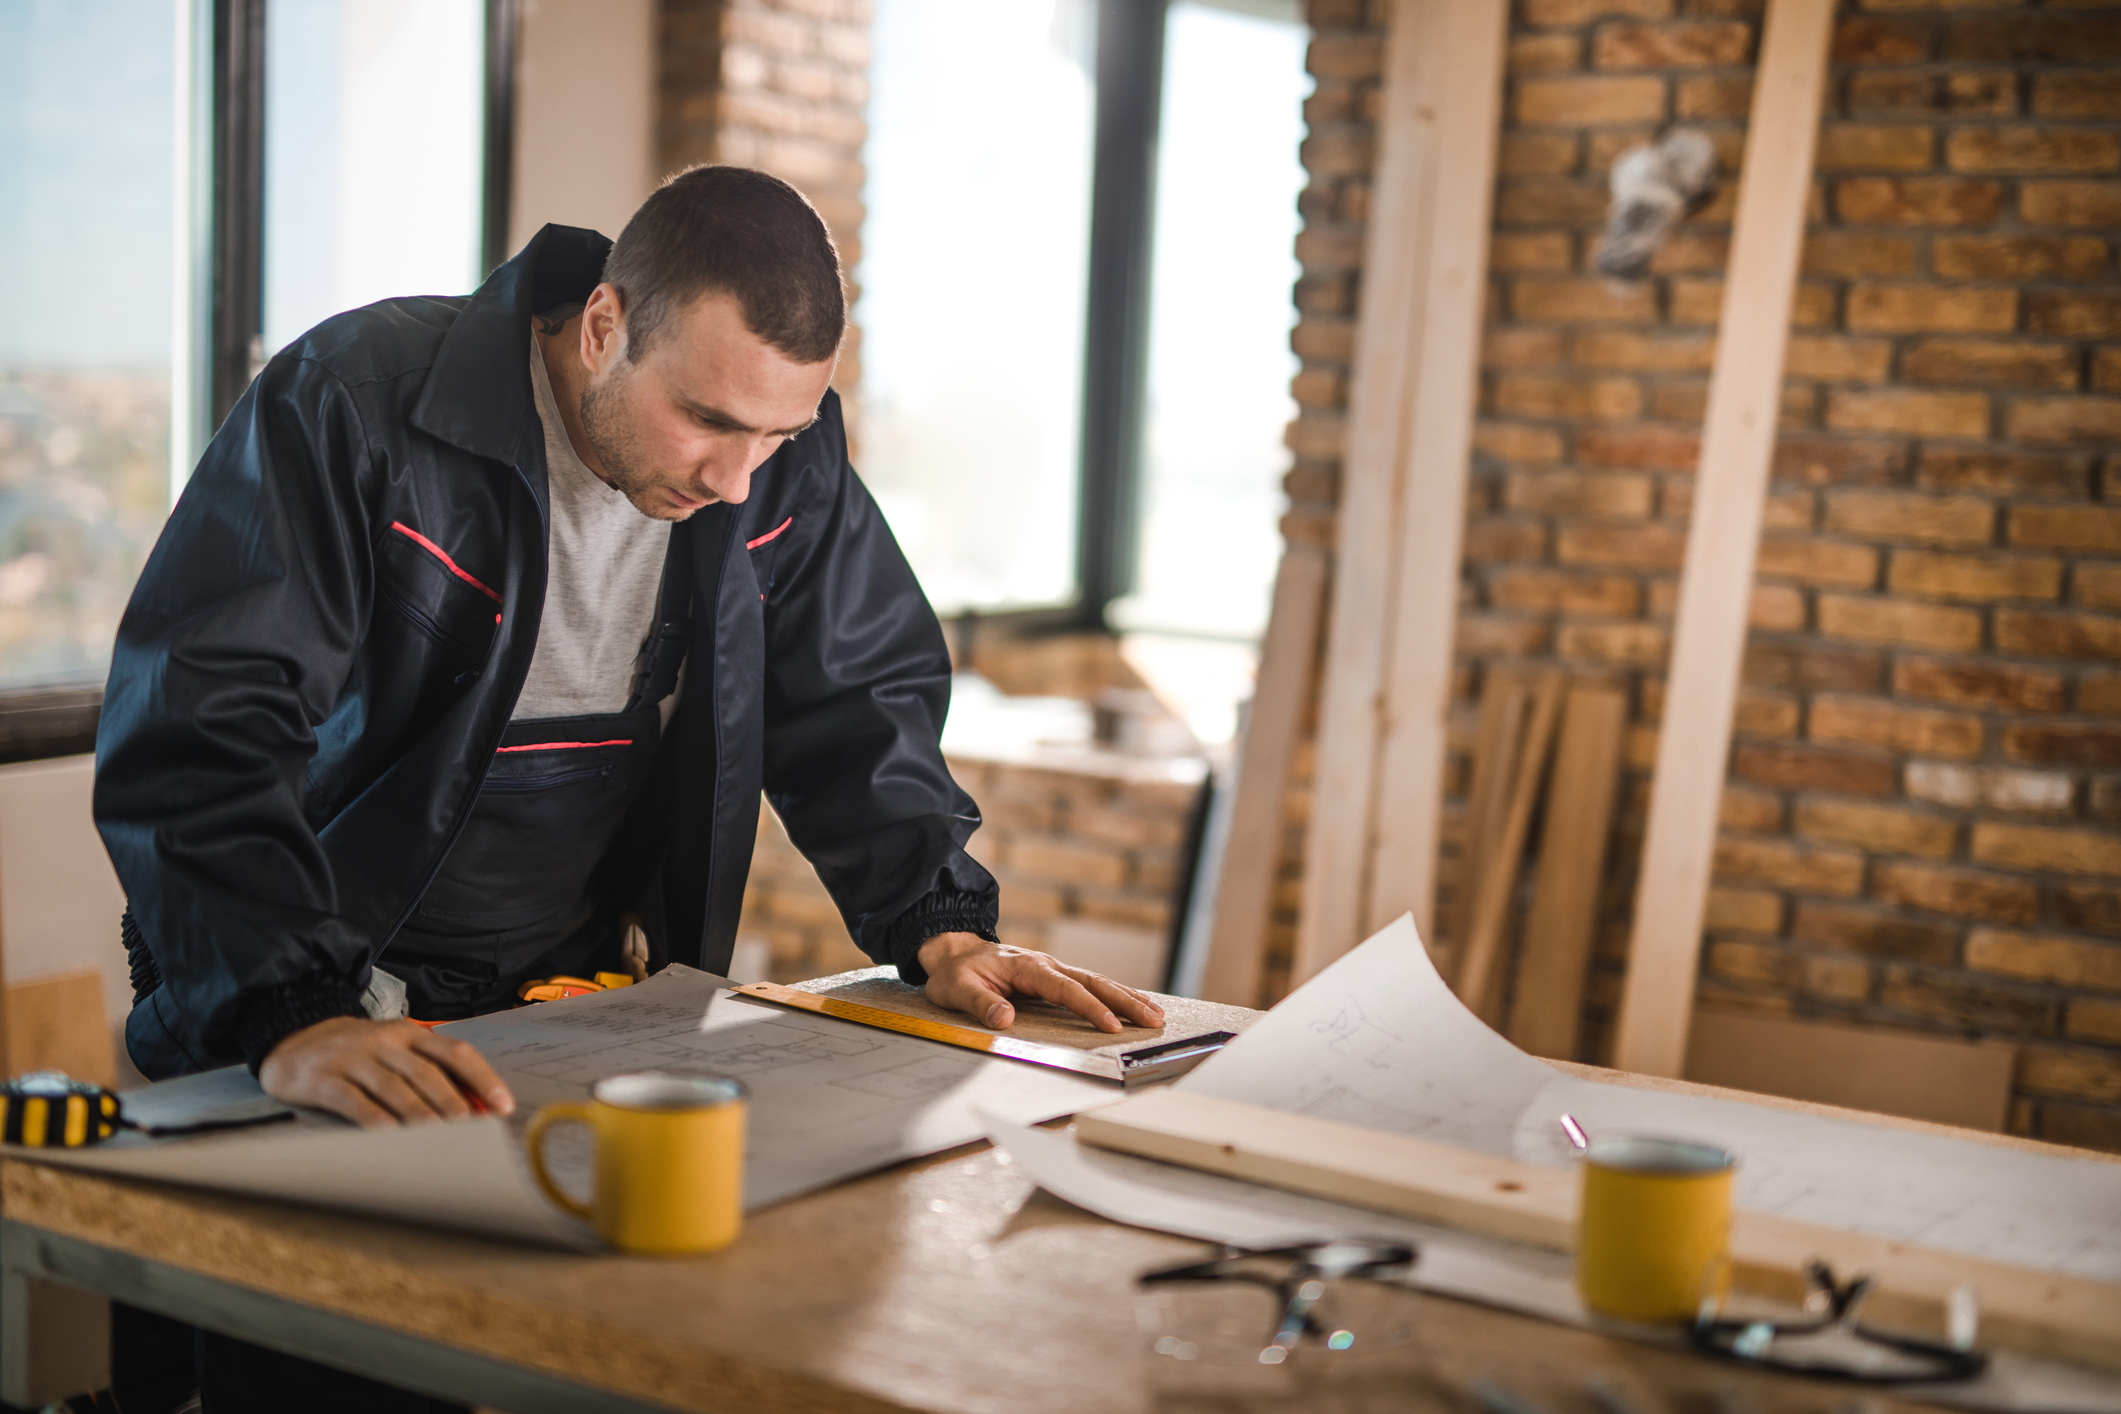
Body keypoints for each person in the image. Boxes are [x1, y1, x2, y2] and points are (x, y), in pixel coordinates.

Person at [93, 165, 1163, 1411]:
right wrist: (293, 1005)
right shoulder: (357, 402)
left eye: (781, 434)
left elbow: (852, 697)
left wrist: (938, 916)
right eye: (710, 420)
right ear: (604, 325)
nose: (739, 479)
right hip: (312, 987)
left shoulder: (773, 466)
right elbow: (202, 724)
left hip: (570, 1004)